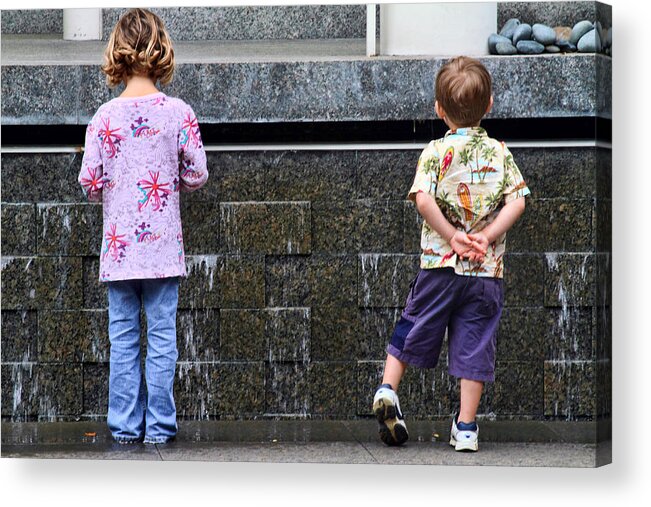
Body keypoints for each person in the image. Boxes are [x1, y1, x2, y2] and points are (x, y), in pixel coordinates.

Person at [372, 56, 529, 452]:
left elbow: (423, 200)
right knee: (475, 343)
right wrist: (486, 236)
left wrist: (453, 236)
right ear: (490, 104)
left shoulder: (435, 151)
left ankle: (389, 388)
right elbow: (518, 203)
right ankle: (466, 428)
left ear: (439, 110)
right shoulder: (499, 152)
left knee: (415, 322)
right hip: (485, 270)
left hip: (440, 265)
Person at [78, 8, 208, 444]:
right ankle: (160, 428)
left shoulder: (102, 118)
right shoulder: (178, 112)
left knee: (124, 339)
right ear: (161, 51)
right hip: (162, 252)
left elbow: (89, 183)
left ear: (116, 52)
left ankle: (124, 427)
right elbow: (197, 174)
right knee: (162, 338)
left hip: (118, 253)